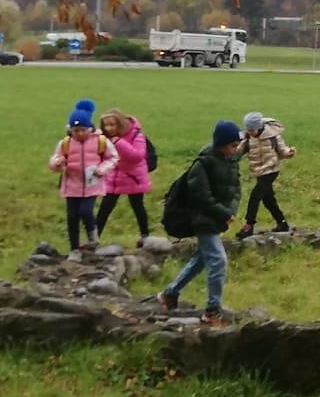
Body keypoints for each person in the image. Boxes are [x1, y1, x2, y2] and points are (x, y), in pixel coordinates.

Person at [158, 120, 243, 324]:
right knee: (218, 260)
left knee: (201, 259)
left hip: (218, 218)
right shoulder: (202, 165)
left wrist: (230, 211)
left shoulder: (231, 162)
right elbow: (201, 197)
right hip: (202, 219)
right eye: (233, 145)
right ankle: (212, 310)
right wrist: (224, 213)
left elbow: (236, 189)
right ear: (221, 144)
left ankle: (170, 293)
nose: (236, 149)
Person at [48, 108, 118, 253]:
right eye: (76, 130)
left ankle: (93, 237)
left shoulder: (100, 141)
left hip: (92, 185)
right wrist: (58, 163)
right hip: (71, 186)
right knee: (72, 217)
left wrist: (102, 169)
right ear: (71, 130)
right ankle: (74, 249)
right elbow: (54, 161)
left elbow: (113, 158)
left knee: (86, 211)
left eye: (83, 130)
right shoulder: (65, 144)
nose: (79, 133)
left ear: (89, 128)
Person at [96, 109, 152, 246]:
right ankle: (94, 239)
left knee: (138, 206)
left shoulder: (136, 136)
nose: (109, 128)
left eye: (112, 125)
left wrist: (119, 143)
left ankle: (145, 236)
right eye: (106, 125)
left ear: (120, 124)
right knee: (105, 208)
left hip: (133, 177)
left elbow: (138, 156)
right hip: (114, 177)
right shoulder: (104, 138)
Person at [237, 111, 296, 237]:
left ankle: (249, 225)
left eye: (253, 130)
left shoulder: (273, 136)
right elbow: (239, 151)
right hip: (258, 171)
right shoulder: (248, 138)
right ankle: (282, 223)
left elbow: (282, 149)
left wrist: (289, 152)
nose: (251, 132)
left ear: (259, 127)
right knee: (268, 199)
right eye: (248, 130)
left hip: (271, 169)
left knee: (255, 195)